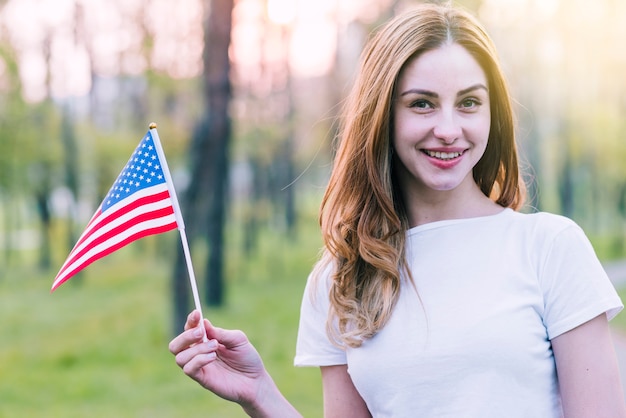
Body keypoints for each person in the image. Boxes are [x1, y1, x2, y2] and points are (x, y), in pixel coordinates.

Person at [169, 3, 626, 417]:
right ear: (382, 115)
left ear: (493, 115)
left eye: (469, 103)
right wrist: (260, 393)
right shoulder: (340, 279)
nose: (448, 129)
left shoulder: (550, 248)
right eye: (422, 104)